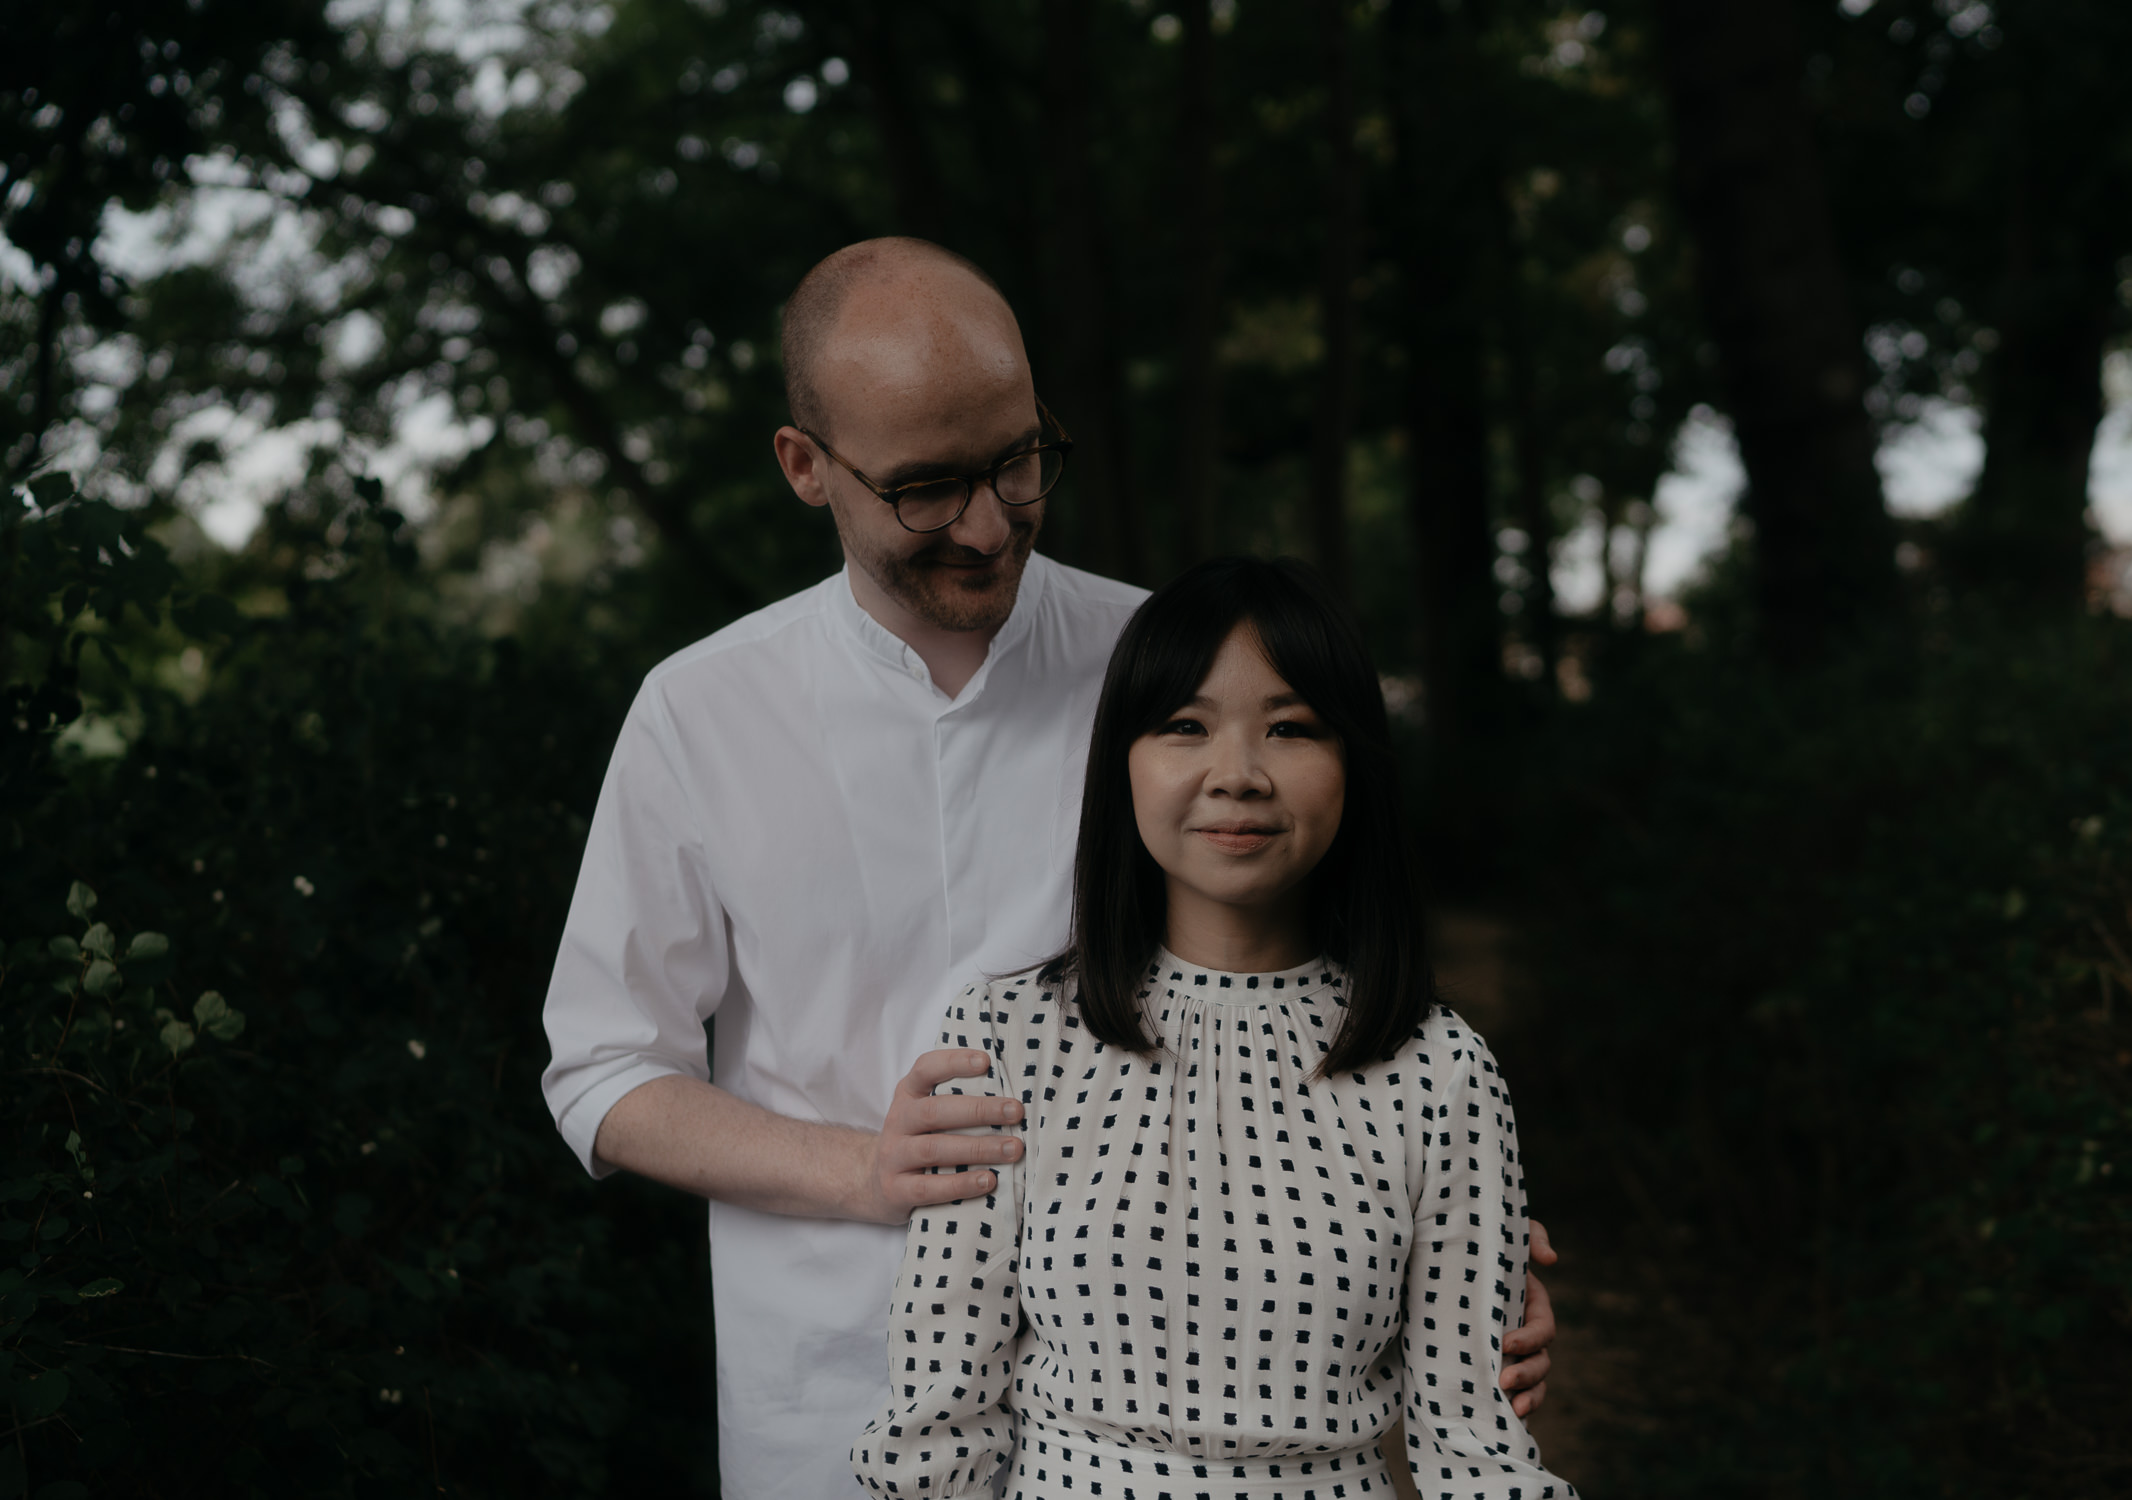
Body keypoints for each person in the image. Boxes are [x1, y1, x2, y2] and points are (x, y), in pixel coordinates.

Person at [539, 238, 1556, 1499]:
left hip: (1183, 1394)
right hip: (831, 1390)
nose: (985, 522)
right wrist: (863, 1169)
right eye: (925, 487)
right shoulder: (698, 712)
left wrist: (1440, 1238)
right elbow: (601, 1066)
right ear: (806, 468)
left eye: (1017, 462)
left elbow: (1317, 983)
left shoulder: (1169, 671)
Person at [851, 557, 1574, 1500]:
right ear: (1125, 760)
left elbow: (1475, 1453)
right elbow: (937, 1424)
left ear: (1352, 761)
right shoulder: (1005, 1037)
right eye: (1185, 726)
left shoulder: (1440, 1072)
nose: (1236, 775)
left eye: (1290, 728)